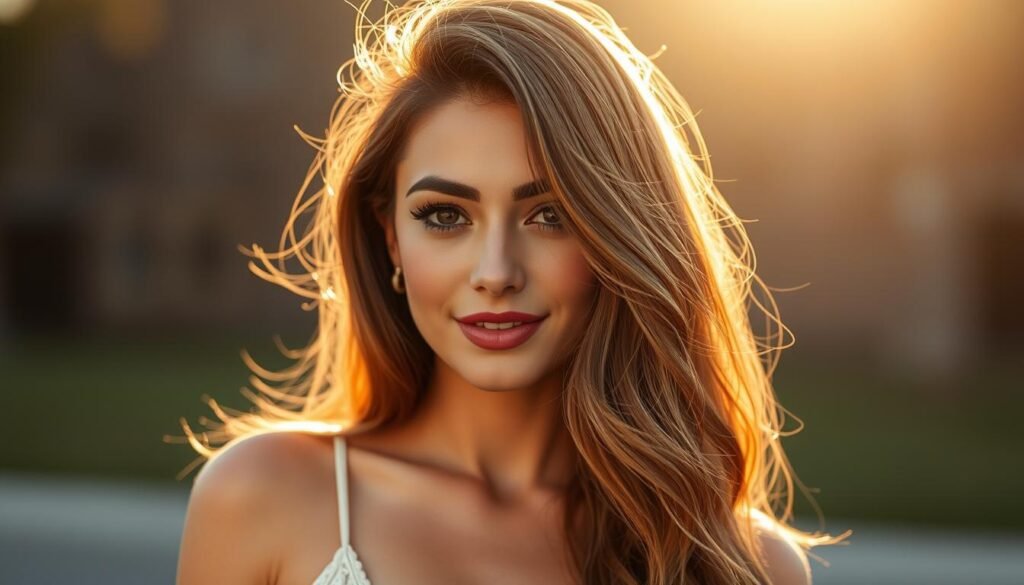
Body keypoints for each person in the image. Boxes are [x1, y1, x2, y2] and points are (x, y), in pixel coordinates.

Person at [175, 1, 850, 583]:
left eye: (550, 215)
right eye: (445, 215)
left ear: (618, 236)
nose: (496, 271)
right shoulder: (263, 494)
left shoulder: (742, 563)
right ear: (390, 239)